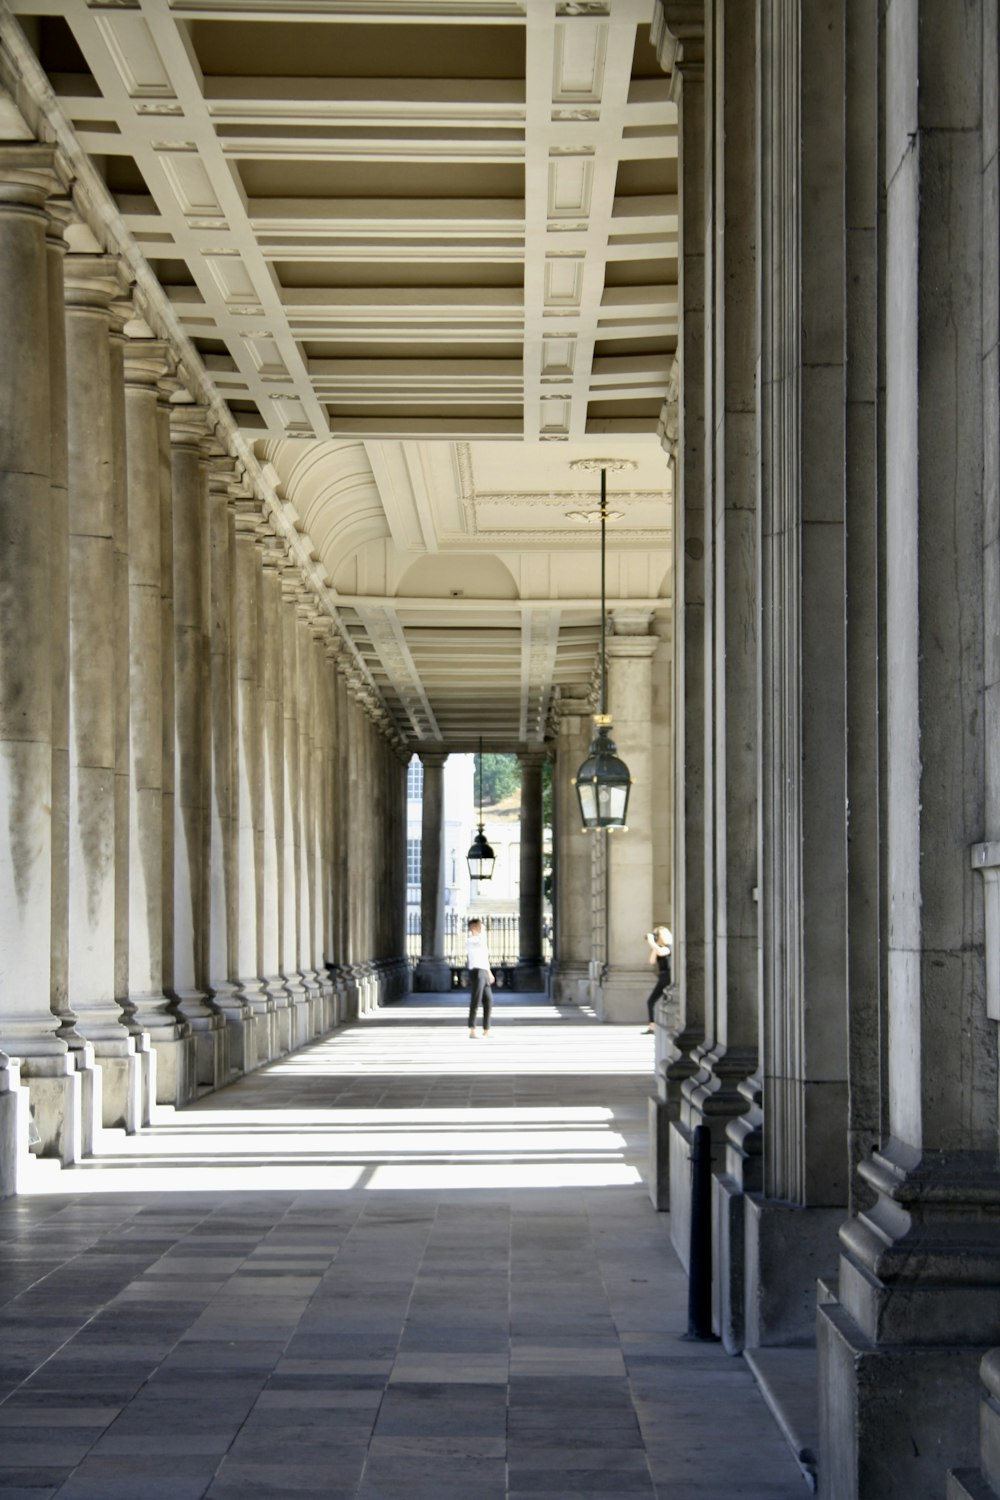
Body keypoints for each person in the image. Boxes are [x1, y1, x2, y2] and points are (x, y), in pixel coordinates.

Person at [466, 917, 495, 1037]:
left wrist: (489, 972)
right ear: (474, 927)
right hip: (476, 971)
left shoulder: (481, 940)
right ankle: (472, 1028)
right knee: (476, 1000)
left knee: (488, 1000)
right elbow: (477, 951)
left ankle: (486, 1029)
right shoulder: (471, 941)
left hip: (484, 970)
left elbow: (485, 958)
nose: (482, 928)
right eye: (480, 926)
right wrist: (480, 935)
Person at [642, 925, 673, 1033]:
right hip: (663, 977)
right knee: (651, 1001)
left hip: (668, 977)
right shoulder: (658, 948)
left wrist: (652, 942)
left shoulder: (669, 947)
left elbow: (662, 952)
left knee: (667, 1001)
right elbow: (651, 961)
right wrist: (654, 945)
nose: (655, 937)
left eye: (656, 935)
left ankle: (663, 1025)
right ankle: (652, 1026)